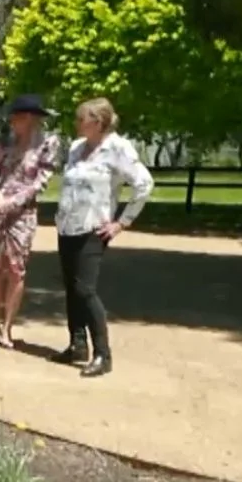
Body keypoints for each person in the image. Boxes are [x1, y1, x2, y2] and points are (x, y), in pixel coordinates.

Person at [53, 97, 154, 377]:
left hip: (93, 229)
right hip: (67, 227)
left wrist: (121, 223)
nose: (75, 123)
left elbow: (144, 184)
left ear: (97, 122)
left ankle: (102, 354)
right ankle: (77, 344)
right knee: (72, 289)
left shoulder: (118, 148)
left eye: (80, 118)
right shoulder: (76, 148)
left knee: (85, 290)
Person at [0, 94, 63, 349]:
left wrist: (12, 202)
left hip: (23, 214)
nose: (11, 121)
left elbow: (41, 182)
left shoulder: (48, 143)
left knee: (16, 269)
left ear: (29, 118)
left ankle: (7, 329)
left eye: (16, 116)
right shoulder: (4, 142)